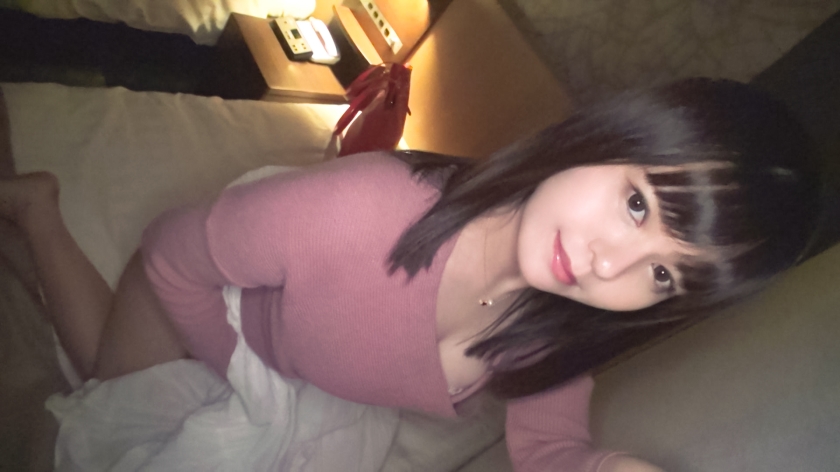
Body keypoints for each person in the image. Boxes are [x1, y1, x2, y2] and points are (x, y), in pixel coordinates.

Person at [0, 78, 821, 471]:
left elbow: (549, 445)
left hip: (302, 361)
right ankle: (39, 211)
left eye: (664, 276)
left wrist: (606, 470)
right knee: (106, 408)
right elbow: (173, 255)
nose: (610, 263)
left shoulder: (556, 319)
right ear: (609, 136)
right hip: (211, 298)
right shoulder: (359, 208)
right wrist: (237, 375)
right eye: (638, 205)